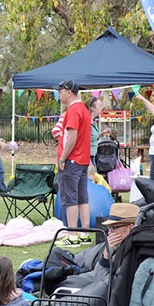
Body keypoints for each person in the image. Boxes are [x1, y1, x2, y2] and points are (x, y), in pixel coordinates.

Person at [56, 79, 92, 233]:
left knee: (70, 200)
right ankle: (85, 231)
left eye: (60, 92)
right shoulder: (84, 109)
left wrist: (62, 158)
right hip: (83, 160)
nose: (59, 95)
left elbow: (72, 137)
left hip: (72, 160)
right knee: (83, 198)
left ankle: (72, 234)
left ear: (69, 92)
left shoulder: (73, 111)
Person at [85, 96, 103, 171]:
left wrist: (102, 134)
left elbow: (92, 137)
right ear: (92, 107)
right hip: (87, 158)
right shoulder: (87, 122)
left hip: (92, 155)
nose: (102, 108)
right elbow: (84, 142)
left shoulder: (94, 122)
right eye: (100, 106)